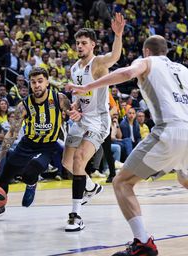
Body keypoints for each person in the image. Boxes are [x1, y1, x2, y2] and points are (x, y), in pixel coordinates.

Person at [66, 35, 188, 256]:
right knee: (184, 178)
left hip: (168, 131)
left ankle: (143, 243)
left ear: (147, 51)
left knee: (122, 182)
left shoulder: (146, 62)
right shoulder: (182, 69)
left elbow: (126, 73)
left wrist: (88, 86)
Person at [0, 67, 78, 221]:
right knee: (4, 177)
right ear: (30, 84)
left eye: (40, 81)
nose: (37, 85)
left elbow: (73, 112)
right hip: (28, 143)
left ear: (47, 82)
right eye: (33, 82)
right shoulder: (23, 105)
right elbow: (12, 133)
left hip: (48, 145)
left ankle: (31, 184)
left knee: (30, 171)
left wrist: (76, 114)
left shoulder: (58, 98)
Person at [62, 13, 125, 232]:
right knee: (66, 163)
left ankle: (75, 216)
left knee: (79, 159)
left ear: (92, 45)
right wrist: (75, 109)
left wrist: (118, 35)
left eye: (83, 43)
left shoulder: (97, 64)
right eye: (77, 43)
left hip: (98, 121)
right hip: (82, 120)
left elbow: (115, 56)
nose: (79, 46)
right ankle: (91, 187)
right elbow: (78, 98)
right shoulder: (74, 68)